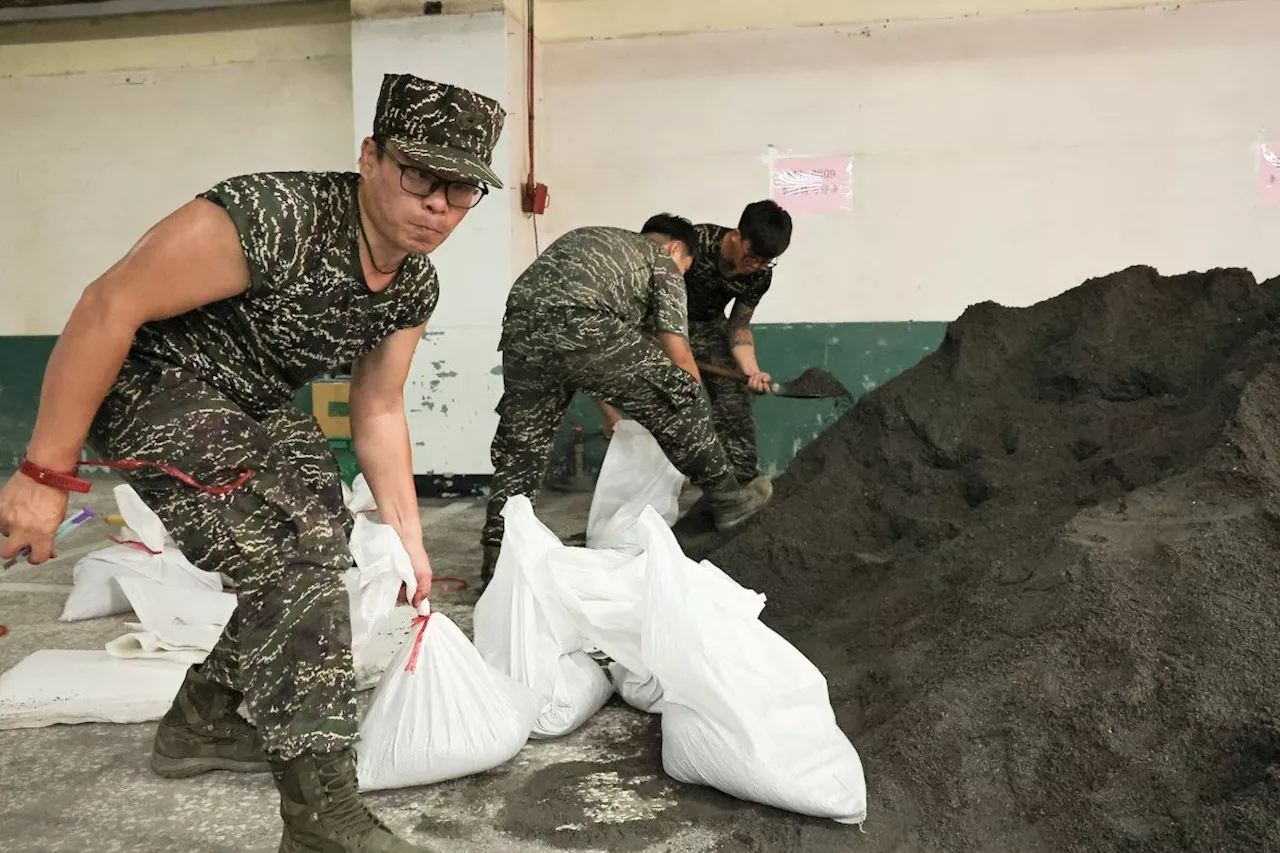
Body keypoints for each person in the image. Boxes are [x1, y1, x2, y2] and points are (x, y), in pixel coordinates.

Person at [0, 73, 504, 853]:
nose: (439, 205)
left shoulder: (412, 281)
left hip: (255, 401)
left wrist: (410, 534)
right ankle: (321, 820)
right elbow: (108, 305)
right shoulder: (273, 215)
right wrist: (45, 475)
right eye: (420, 175)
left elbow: (377, 405)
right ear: (371, 156)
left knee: (322, 543)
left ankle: (202, 715)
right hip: (152, 382)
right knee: (289, 553)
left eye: (462, 189)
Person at [481, 215, 775, 582]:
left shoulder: (589, 237)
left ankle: (499, 560)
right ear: (675, 248)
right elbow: (677, 352)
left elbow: (579, 359)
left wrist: (608, 412)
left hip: (521, 326)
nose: (682, 275)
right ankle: (728, 499)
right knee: (680, 395)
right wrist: (693, 404)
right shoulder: (662, 261)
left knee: (522, 448)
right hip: (585, 322)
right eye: (685, 268)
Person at [679, 201, 793, 484]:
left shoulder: (760, 275)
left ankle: (736, 487)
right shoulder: (696, 243)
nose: (756, 266)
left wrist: (751, 372)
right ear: (736, 236)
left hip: (707, 326)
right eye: (752, 256)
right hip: (663, 323)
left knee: (735, 398)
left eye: (767, 261)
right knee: (673, 399)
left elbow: (739, 326)